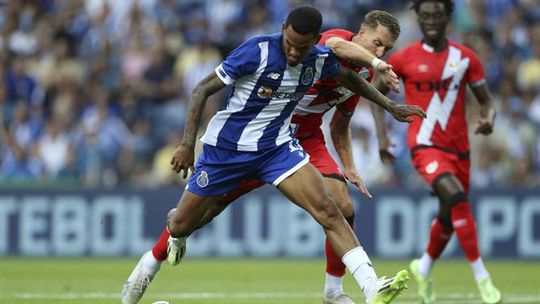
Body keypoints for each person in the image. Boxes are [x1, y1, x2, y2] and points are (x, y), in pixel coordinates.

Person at [121, 6, 426, 304]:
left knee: (331, 208)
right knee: (183, 223)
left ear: (312, 42)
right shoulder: (260, 50)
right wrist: (188, 144)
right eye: (291, 45)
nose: (295, 54)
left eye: (302, 48)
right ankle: (148, 264)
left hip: (278, 146)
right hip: (229, 150)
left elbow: (349, 82)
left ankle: (368, 286)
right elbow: (202, 89)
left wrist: (391, 107)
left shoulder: (318, 58)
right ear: (283, 31)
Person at [370, 1, 502, 304]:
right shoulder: (404, 59)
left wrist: (489, 119)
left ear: (447, 18)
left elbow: (487, 101)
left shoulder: (465, 58)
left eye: (436, 15)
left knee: (447, 216)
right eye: (424, 15)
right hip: (424, 146)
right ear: (417, 17)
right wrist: (381, 135)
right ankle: (482, 277)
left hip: (460, 151)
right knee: (456, 198)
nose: (430, 21)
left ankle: (423, 266)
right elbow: (374, 91)